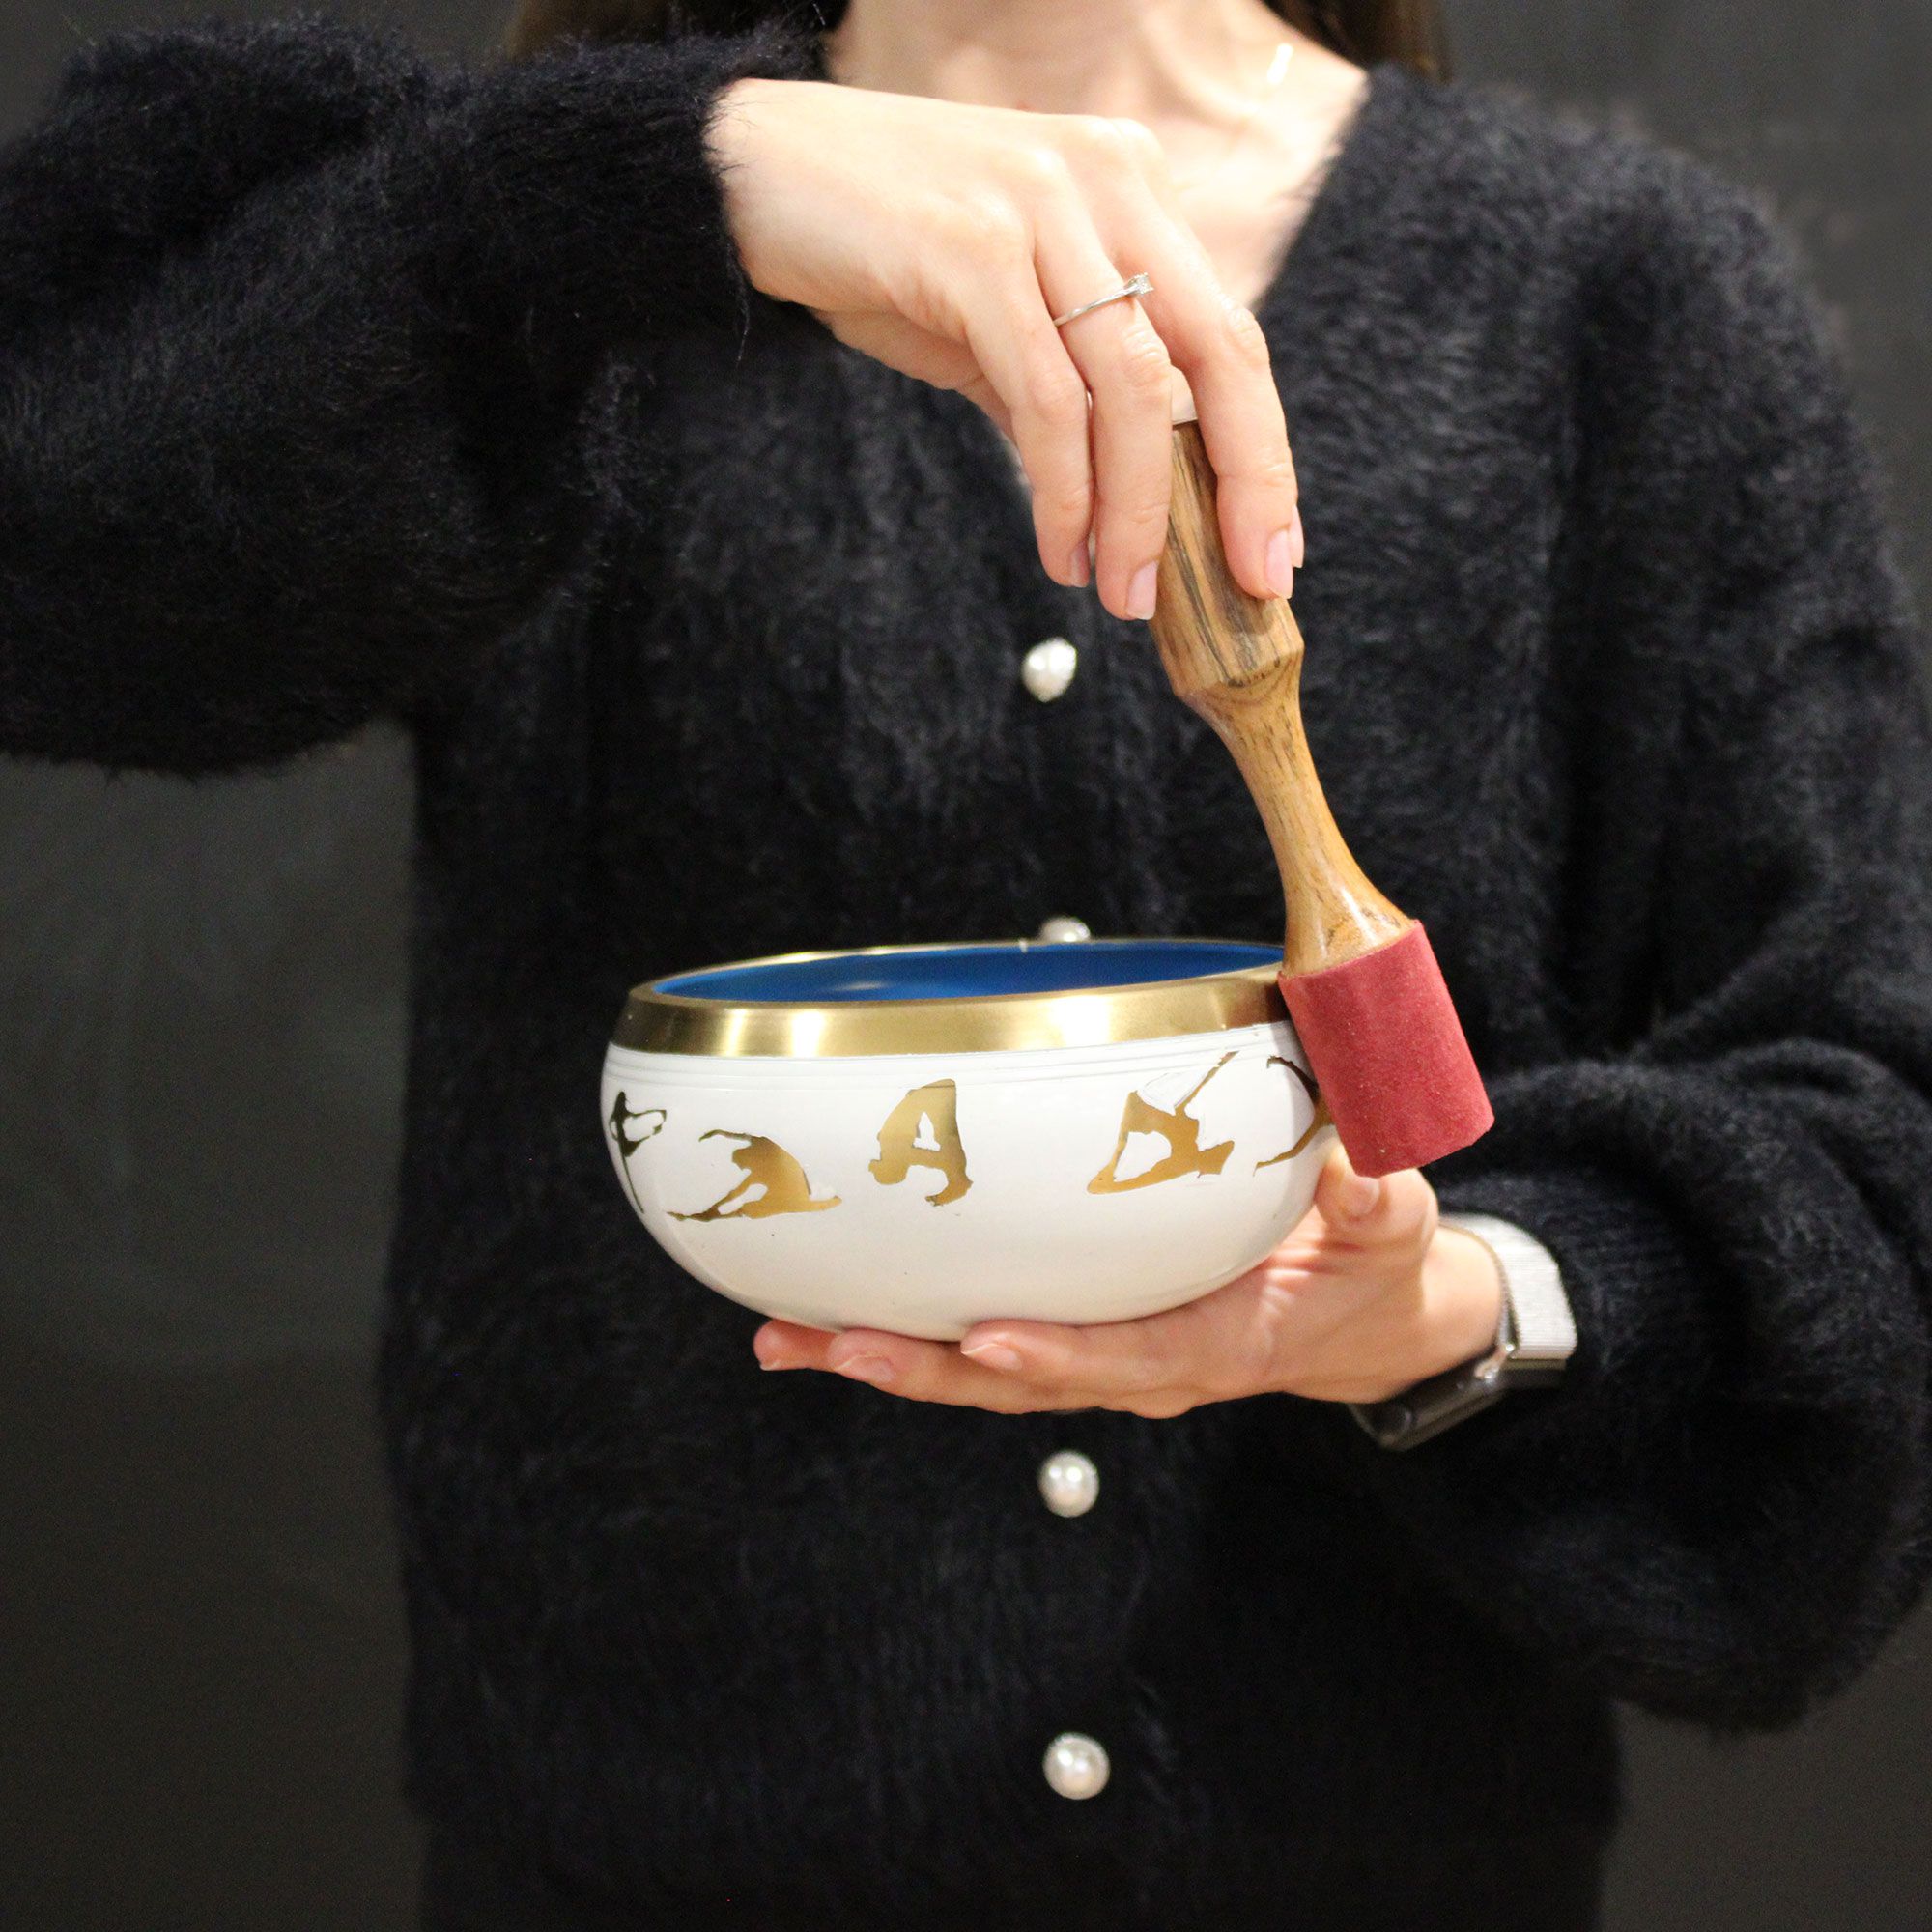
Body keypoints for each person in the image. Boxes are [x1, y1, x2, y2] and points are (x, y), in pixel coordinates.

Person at [2, 0, 1928, 1925]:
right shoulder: (558, 259)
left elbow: (1875, 1152)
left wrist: (1461, 1304)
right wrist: (667, 183)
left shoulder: (1623, 297)